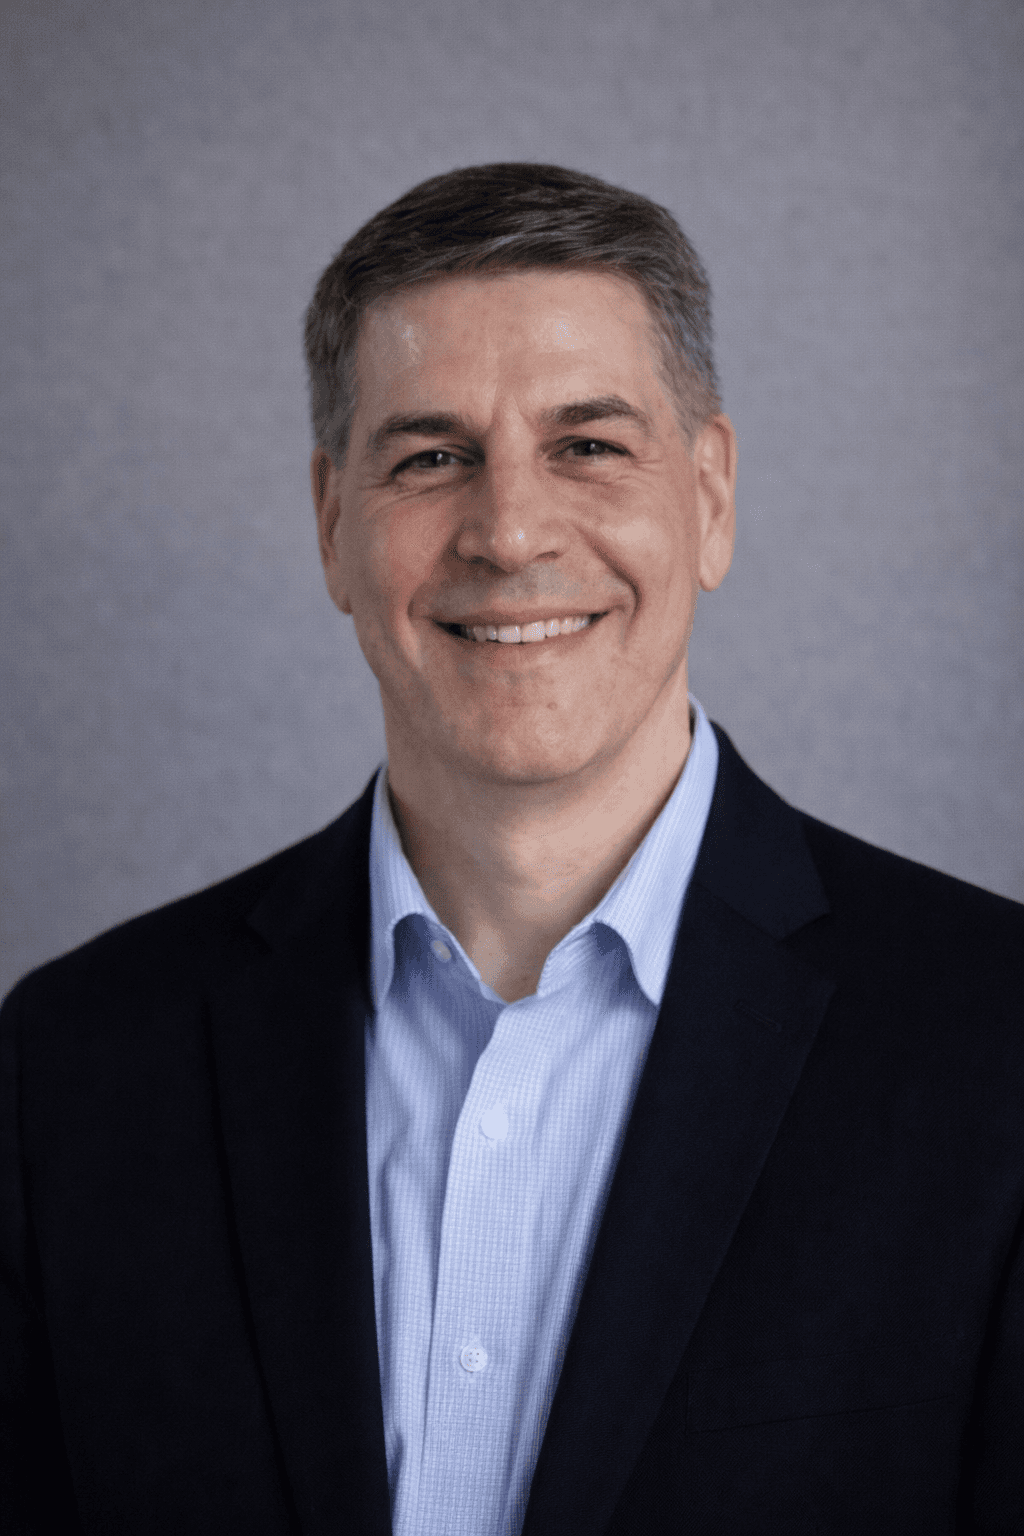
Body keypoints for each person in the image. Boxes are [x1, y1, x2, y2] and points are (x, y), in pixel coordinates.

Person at [1, 163, 1021, 1536]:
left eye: (588, 445)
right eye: (430, 457)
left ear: (711, 497)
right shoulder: (73, 1065)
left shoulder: (995, 1044)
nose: (511, 530)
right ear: (331, 527)